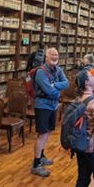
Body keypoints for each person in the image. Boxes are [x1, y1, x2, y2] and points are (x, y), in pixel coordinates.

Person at [29, 48, 69, 177]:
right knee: (42, 134)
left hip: (53, 105)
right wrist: (56, 87)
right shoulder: (41, 72)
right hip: (43, 106)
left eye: (56, 54)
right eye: (52, 54)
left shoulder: (59, 69)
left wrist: (53, 85)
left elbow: (66, 84)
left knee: (47, 133)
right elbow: (48, 91)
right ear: (46, 57)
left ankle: (41, 156)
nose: (55, 56)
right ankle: (36, 165)